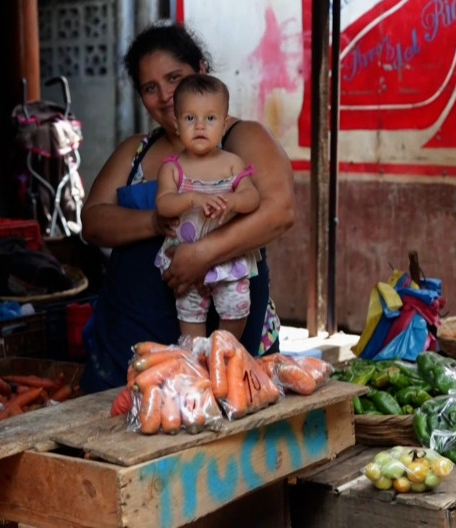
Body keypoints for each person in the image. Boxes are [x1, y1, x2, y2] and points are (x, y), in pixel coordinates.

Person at [79, 23, 296, 394]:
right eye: (150, 88)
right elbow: (93, 221)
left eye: (174, 78)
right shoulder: (137, 150)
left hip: (221, 353)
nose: (164, 96)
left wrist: (202, 253)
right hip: (129, 349)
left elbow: (280, 211)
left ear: (200, 70)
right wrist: (160, 220)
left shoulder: (241, 138)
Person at [154, 73, 261, 340]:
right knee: (190, 313)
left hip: (227, 257)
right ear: (178, 124)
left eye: (210, 118)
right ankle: (194, 360)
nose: (200, 126)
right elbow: (163, 205)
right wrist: (192, 199)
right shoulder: (172, 167)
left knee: (236, 308)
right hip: (185, 257)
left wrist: (234, 200)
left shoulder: (232, 163)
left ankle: (224, 353)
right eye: (190, 118)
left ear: (224, 125)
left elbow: (252, 198)